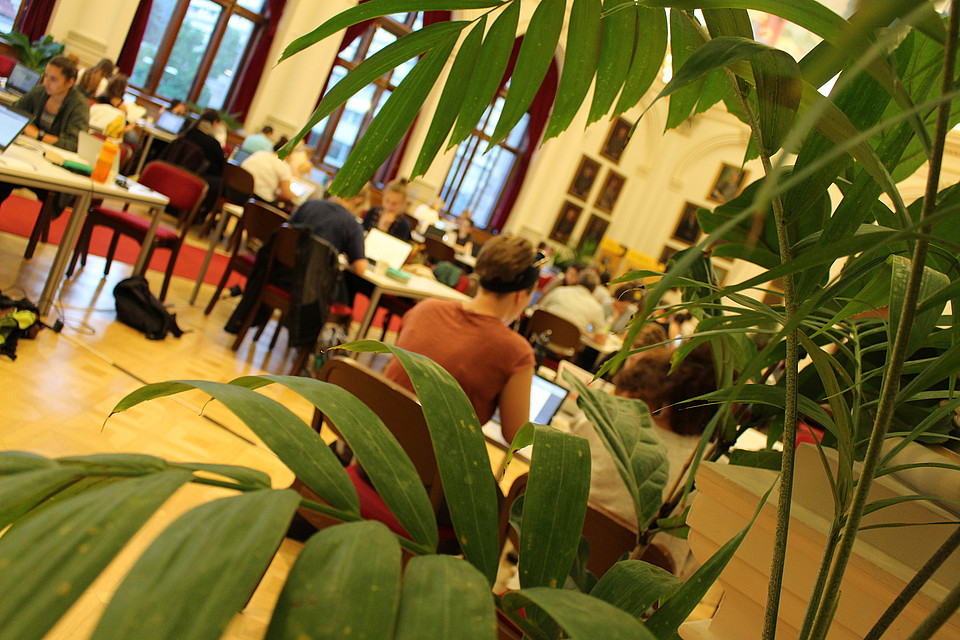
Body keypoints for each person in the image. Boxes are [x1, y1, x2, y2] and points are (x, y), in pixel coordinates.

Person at [568, 342, 717, 576]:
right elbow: (690, 572)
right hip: (631, 603)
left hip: (547, 577)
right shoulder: (714, 478)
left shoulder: (598, 424)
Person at [383, 234, 538, 442]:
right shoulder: (517, 352)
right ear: (521, 295)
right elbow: (517, 437)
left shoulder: (426, 309)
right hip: (428, 467)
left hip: (370, 444)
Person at [287, 186, 369, 275]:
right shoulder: (353, 226)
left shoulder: (309, 204)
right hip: (314, 282)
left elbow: (285, 231)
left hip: (283, 271)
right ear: (359, 200)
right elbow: (360, 269)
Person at [14, 55, 88, 152]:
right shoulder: (40, 92)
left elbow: (75, 144)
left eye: (53, 79)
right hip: (28, 147)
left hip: (55, 155)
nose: (46, 82)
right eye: (46, 76)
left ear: (69, 82)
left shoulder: (79, 105)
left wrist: (38, 135)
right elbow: (13, 111)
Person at [539, 268, 608, 346]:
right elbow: (601, 341)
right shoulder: (596, 307)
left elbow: (539, 309)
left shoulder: (559, 291)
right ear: (594, 290)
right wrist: (584, 333)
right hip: (564, 349)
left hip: (540, 339)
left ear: (577, 281)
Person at [363, 178, 412, 242]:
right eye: (387, 201)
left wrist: (384, 227)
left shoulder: (403, 225)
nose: (389, 206)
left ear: (402, 203)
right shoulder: (373, 212)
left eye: (394, 204)